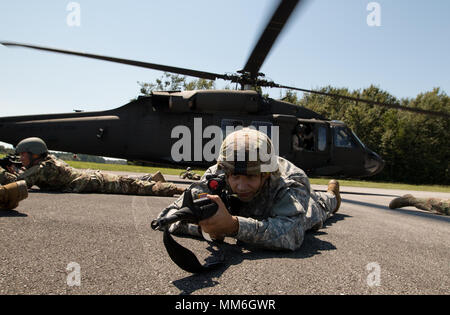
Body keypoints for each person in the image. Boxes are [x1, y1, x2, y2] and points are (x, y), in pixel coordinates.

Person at [157, 128, 341, 251]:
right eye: (235, 177)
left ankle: (333, 194)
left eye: (251, 177)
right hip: (248, 216)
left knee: (320, 207)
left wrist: (233, 226)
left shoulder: (291, 180)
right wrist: (206, 229)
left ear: (266, 174)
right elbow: (166, 217)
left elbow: (291, 235)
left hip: (301, 205)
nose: (241, 186)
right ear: (225, 171)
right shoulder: (218, 173)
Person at [1, 137, 184, 197]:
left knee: (138, 188)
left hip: (95, 181)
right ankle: (153, 178)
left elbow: (18, 184)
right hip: (89, 177)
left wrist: (4, 171)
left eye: (23, 154)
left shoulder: (42, 168)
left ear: (34, 154)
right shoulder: (46, 161)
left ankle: (178, 189)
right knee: (129, 182)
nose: (20, 158)